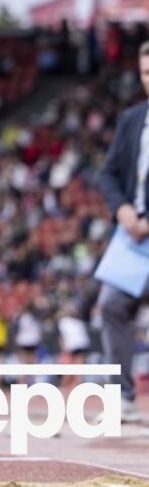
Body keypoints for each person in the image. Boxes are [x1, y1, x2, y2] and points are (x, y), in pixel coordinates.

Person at [96, 40, 149, 423]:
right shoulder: (133, 119)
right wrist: (123, 208)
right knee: (111, 304)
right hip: (133, 237)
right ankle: (123, 400)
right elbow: (107, 173)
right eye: (146, 73)